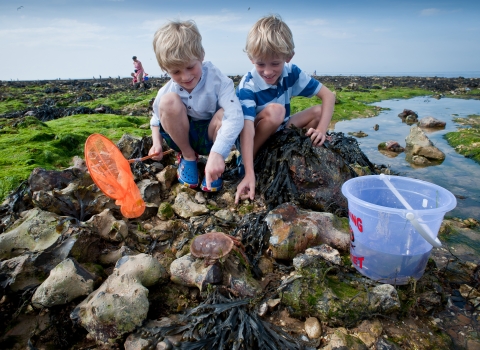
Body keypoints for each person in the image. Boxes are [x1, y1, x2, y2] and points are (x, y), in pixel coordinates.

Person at [235, 14, 336, 203]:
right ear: (251, 58)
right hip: (253, 135)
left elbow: (328, 96)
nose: (267, 71)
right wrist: (249, 172)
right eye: (260, 64)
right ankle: (248, 165)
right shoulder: (247, 86)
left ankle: (298, 154)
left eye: (275, 63)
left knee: (319, 111)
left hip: (282, 130)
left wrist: (322, 130)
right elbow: (246, 129)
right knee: (276, 112)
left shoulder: (292, 73)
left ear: (288, 57)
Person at [148, 20, 244, 192]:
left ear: (201, 56)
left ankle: (214, 163)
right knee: (168, 102)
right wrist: (157, 143)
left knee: (225, 114)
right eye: (176, 72)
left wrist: (218, 153)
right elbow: (156, 119)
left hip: (209, 137)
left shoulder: (219, 81)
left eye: (190, 67)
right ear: (166, 69)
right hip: (182, 138)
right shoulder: (167, 89)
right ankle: (188, 156)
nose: (185, 77)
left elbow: (235, 116)